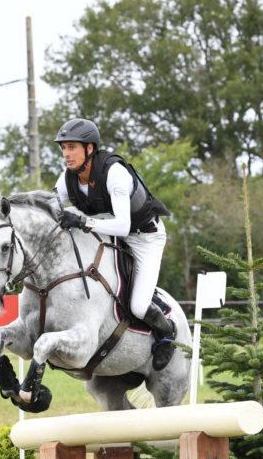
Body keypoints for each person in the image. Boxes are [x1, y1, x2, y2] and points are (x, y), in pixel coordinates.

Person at [52, 118, 176, 369]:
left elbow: (122, 225)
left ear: (89, 149)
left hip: (144, 237)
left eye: (72, 147)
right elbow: (51, 208)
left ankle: (167, 333)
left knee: (139, 306)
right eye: (63, 148)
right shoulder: (67, 179)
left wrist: (82, 221)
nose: (66, 154)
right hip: (109, 236)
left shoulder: (114, 173)